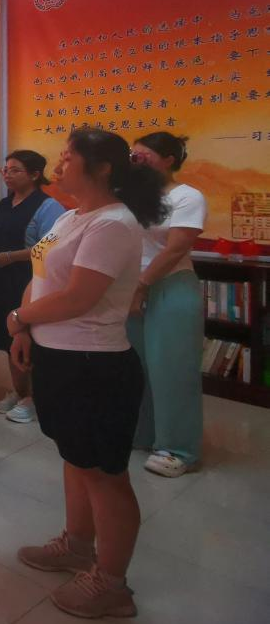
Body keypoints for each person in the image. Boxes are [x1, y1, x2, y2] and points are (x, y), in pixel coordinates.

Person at [10, 128, 165, 619]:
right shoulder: (72, 216)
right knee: (76, 459)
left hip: (94, 365)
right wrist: (23, 327)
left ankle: (112, 584)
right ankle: (78, 546)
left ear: (101, 168)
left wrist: (19, 318)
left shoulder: (113, 224)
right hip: (59, 356)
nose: (59, 164)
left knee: (105, 476)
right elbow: (40, 276)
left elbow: (79, 297)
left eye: (68, 157)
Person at [128, 132, 206, 477]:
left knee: (172, 369)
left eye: (142, 156)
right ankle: (144, 434)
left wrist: (142, 285)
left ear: (169, 159)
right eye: (132, 156)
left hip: (170, 288)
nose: (135, 162)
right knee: (137, 367)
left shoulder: (187, 196)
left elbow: (176, 248)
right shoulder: (135, 197)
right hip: (133, 289)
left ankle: (178, 449)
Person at [0, 150, 65, 424]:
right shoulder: (5, 204)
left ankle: (35, 398)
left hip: (29, 280)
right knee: (10, 338)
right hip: (1, 280)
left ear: (34, 174)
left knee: (29, 337)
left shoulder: (48, 206)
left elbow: (50, 247)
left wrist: (11, 257)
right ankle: (19, 392)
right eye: (5, 170)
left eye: (15, 170)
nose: (7, 174)